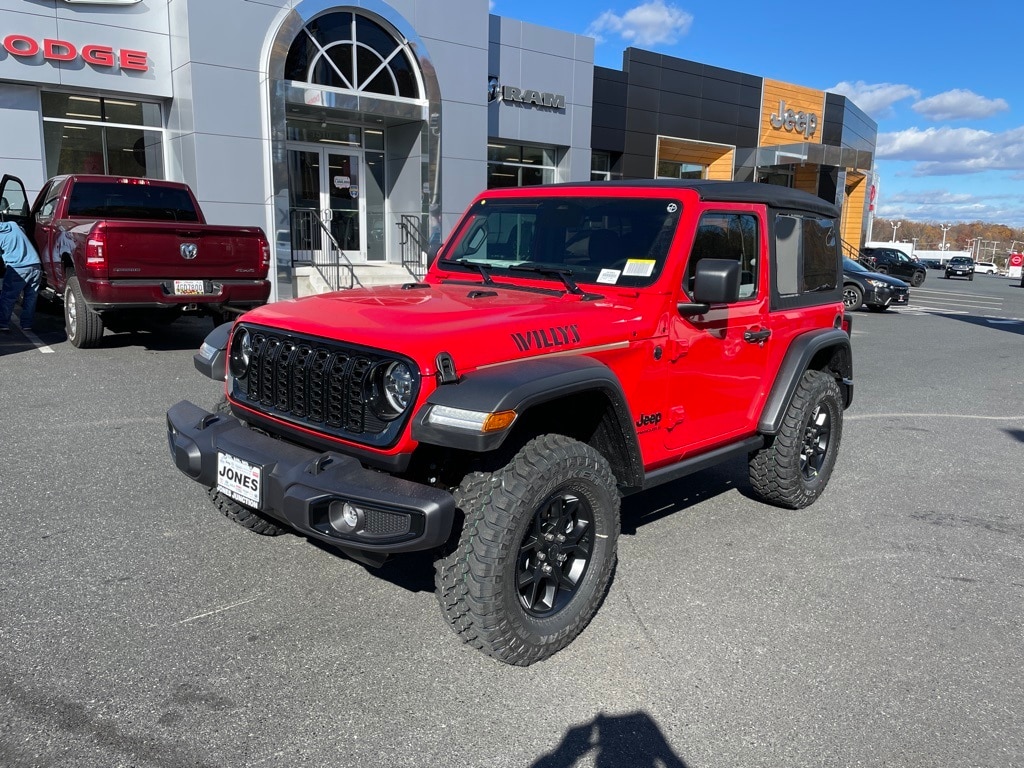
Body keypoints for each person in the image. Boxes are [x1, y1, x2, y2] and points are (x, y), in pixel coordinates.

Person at [0, 221, 42, 332]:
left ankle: (3, 323)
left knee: (8, 297)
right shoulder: (13, 224)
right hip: (35, 265)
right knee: (31, 297)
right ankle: (27, 324)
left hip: (18, 267)